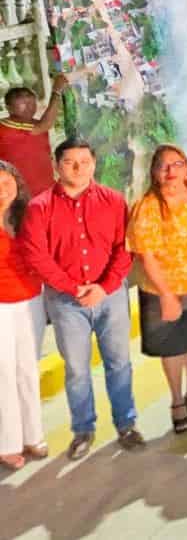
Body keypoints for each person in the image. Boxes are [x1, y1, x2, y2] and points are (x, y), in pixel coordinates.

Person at [20, 138, 141, 459]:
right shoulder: (39, 207)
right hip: (65, 302)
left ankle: (126, 424)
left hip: (110, 295)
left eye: (85, 162)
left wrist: (104, 286)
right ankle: (83, 429)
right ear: (57, 166)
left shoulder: (114, 201)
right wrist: (74, 288)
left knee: (119, 363)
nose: (79, 168)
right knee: (76, 369)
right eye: (71, 162)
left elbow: (124, 248)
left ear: (94, 164)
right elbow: (37, 255)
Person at [127, 145, 187, 434]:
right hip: (162, 290)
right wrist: (167, 294)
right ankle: (177, 402)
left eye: (177, 164)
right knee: (173, 346)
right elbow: (146, 254)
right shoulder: (148, 205)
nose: (171, 172)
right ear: (154, 172)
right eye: (164, 166)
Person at [0, 161, 43, 469]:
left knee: (28, 369)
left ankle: (32, 434)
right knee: (4, 374)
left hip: (31, 301)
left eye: (7, 182)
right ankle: (8, 443)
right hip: (0, 305)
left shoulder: (29, 215)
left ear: (17, 183)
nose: (3, 189)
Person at [0, 73, 69, 197]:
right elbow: (46, 124)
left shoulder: (30, 123)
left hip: (41, 191)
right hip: (25, 195)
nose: (30, 108)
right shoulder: (9, 128)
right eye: (23, 104)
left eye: (32, 103)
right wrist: (56, 91)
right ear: (9, 108)